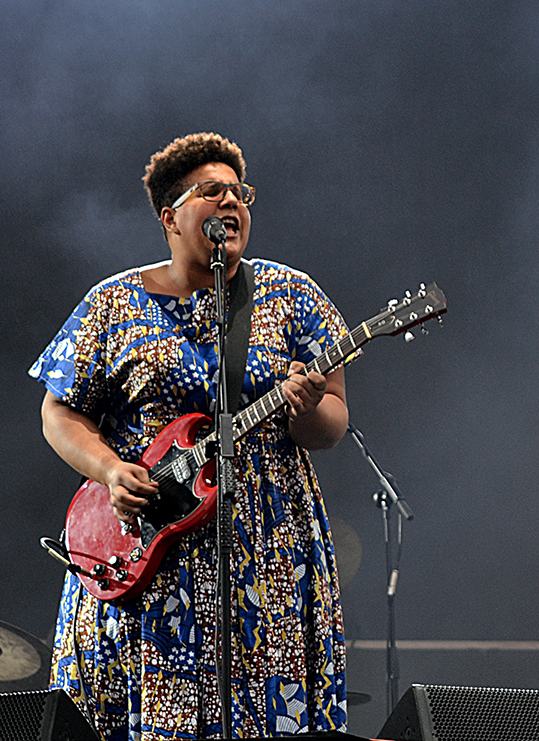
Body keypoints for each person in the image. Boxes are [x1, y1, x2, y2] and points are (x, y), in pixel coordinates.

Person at [32, 132, 350, 739]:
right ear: (169, 217)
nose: (232, 203)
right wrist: (108, 470)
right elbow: (59, 412)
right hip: (143, 555)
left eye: (241, 193)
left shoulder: (292, 296)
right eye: (212, 192)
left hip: (266, 558)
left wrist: (304, 409)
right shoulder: (112, 305)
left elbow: (333, 421)